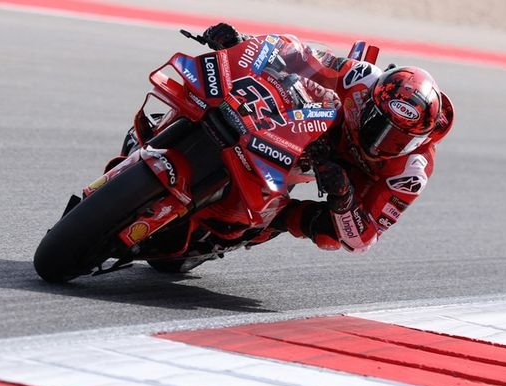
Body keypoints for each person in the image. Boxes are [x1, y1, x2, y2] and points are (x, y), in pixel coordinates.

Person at [193, 22, 455, 253]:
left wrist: (343, 197)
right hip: (319, 129)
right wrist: (242, 43)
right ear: (368, 102)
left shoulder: (411, 173)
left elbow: (363, 239)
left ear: (420, 140)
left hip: (346, 174)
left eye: (398, 139)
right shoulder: (361, 78)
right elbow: (297, 56)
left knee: (330, 235)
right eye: (377, 124)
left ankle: (271, 220)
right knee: (254, 84)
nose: (379, 142)